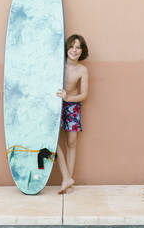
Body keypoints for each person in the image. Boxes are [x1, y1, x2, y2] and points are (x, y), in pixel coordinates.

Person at [56, 34, 89, 194]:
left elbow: (84, 94)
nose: (74, 50)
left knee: (71, 143)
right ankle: (66, 176)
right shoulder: (58, 64)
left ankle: (67, 181)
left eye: (78, 47)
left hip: (72, 106)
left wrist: (68, 98)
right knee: (52, 141)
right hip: (56, 105)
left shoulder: (82, 70)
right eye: (72, 46)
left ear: (82, 51)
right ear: (67, 48)